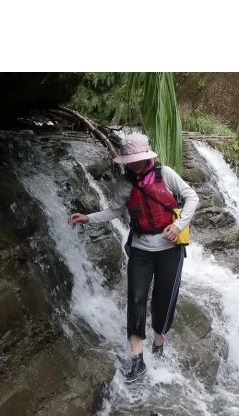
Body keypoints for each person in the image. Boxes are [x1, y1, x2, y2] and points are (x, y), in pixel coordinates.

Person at [68, 133, 199, 383]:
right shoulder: (124, 184)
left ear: (146, 157)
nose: (134, 164)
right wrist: (88, 218)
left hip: (170, 249)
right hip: (140, 249)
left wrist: (180, 225)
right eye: (130, 160)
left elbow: (192, 196)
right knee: (136, 298)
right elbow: (114, 211)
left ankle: (159, 340)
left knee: (164, 298)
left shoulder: (165, 174)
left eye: (137, 159)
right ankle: (137, 359)